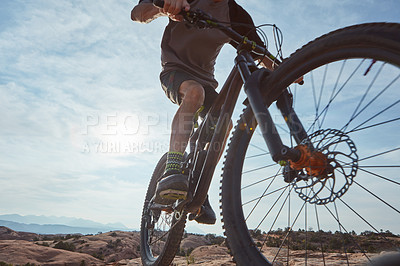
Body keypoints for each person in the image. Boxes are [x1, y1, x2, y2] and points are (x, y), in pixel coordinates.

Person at [131, 0, 275, 224]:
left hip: (207, 82)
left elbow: (261, 54)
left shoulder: (235, 14)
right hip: (175, 72)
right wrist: (164, 8)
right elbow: (138, 13)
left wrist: (288, 69)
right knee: (194, 93)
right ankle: (172, 169)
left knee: (224, 124)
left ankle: (201, 186)